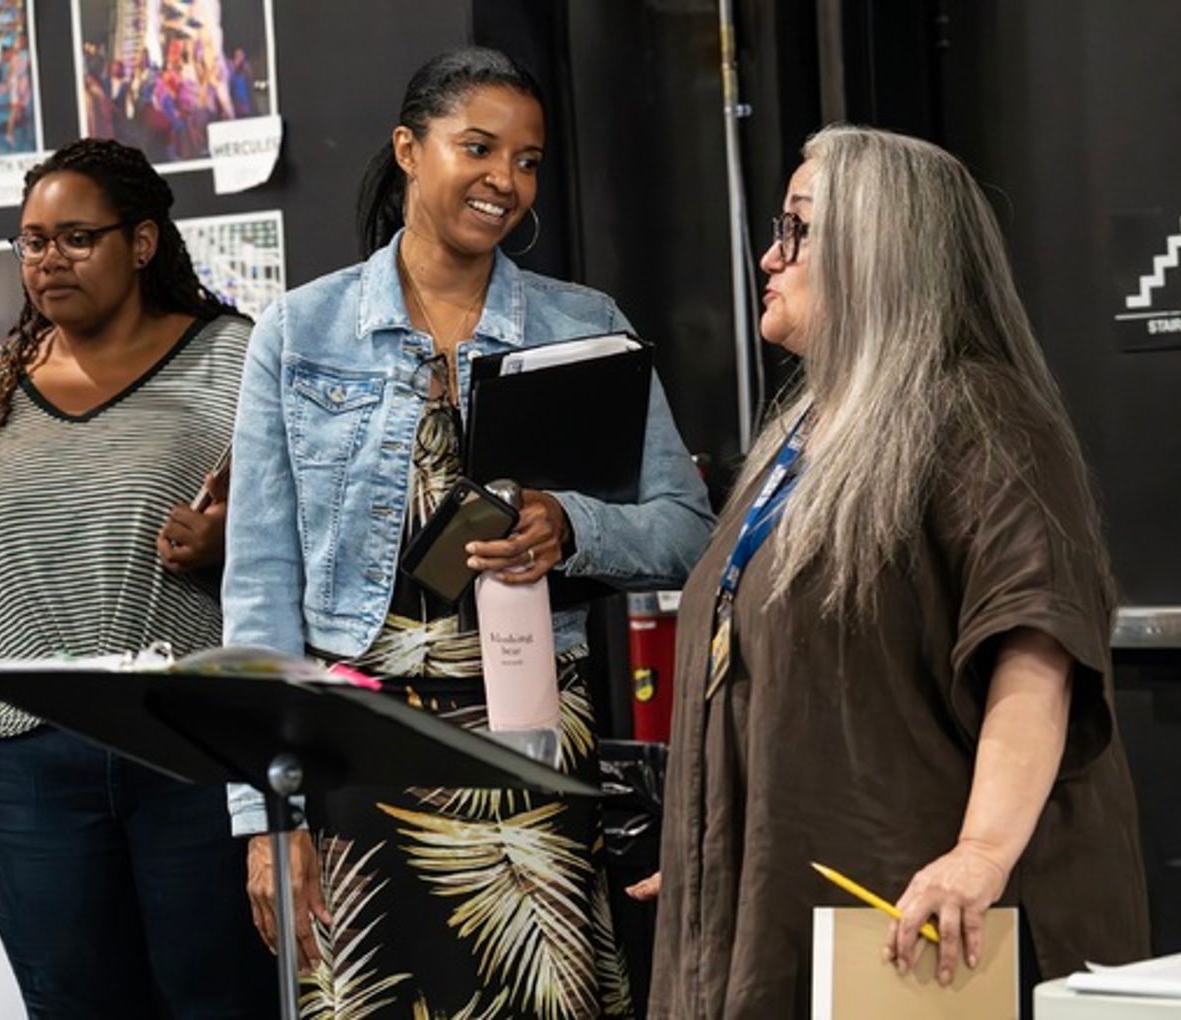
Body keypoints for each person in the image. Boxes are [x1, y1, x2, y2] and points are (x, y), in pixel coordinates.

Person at [222, 46, 714, 1019]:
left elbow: (685, 533)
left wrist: (568, 525)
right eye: (477, 148)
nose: (506, 182)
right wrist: (268, 817)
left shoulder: (583, 327)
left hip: (528, 751)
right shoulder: (299, 332)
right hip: (351, 756)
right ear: (409, 149)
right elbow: (259, 589)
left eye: (527, 160)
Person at [643, 125, 1149, 1017]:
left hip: (922, 944)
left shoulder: (980, 419)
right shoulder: (808, 436)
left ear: (881, 250)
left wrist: (980, 855)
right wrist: (711, 835)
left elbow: (1035, 650)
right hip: (794, 912)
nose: (771, 254)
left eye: (798, 230)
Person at [0, 138, 277, 1018]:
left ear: (141, 243)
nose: (48, 260)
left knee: (220, 1004)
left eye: (76, 238)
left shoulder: (234, 359)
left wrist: (221, 538)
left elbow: (303, 527)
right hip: (24, 760)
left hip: (188, 746)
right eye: (31, 241)